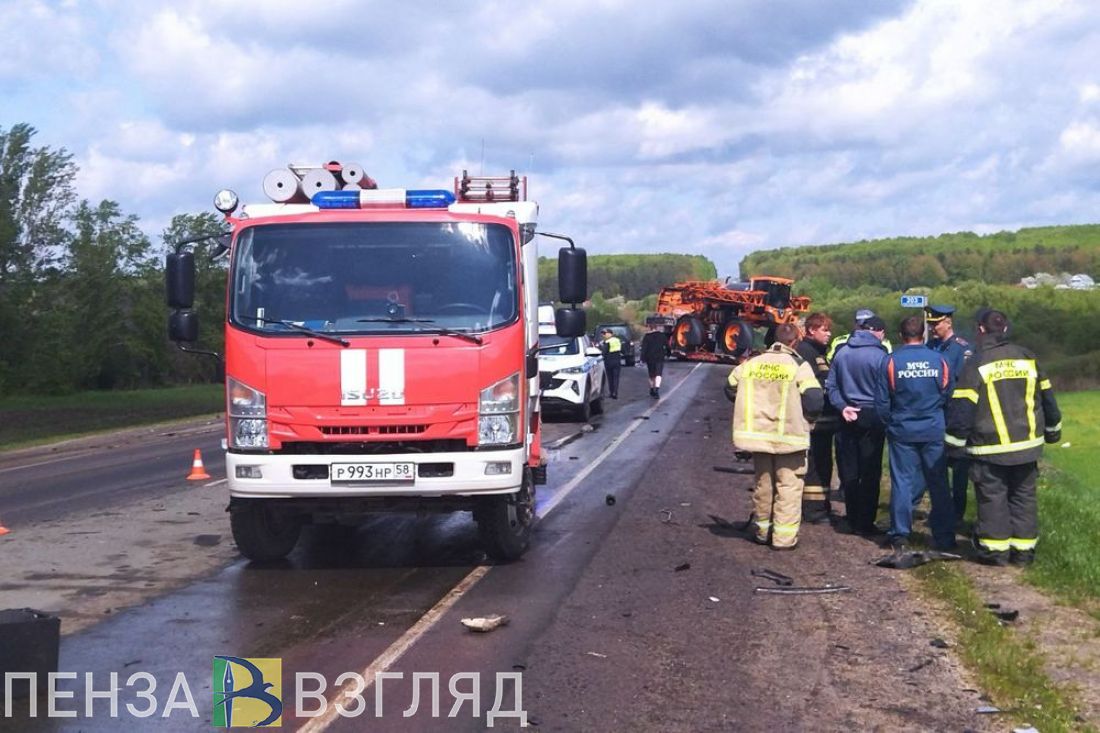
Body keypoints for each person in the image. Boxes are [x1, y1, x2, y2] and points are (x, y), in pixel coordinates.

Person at [946, 310, 1062, 566]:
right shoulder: (1027, 357)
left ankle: (995, 552)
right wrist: (1053, 431)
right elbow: (1048, 398)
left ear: (980, 330)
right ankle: (1023, 553)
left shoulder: (977, 363)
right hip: (1028, 447)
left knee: (992, 499)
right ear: (1006, 329)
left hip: (990, 448)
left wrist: (953, 447)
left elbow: (962, 410)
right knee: (1024, 498)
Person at [725, 324, 823, 550]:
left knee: (764, 486)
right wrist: (807, 419)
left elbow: (729, 388)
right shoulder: (799, 366)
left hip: (758, 438)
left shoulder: (751, 364)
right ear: (794, 342)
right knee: (788, 487)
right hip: (790, 439)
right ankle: (783, 539)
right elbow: (815, 399)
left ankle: (762, 532)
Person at [874, 316, 955, 551]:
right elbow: (948, 394)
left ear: (900, 336)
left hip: (902, 430)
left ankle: (900, 534)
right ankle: (944, 535)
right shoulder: (940, 360)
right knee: (939, 482)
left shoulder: (890, 361)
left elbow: (881, 402)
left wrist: (891, 423)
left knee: (902, 482)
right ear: (924, 334)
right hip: (933, 428)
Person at [826, 315, 889, 536]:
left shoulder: (842, 353)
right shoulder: (881, 356)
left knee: (849, 470)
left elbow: (831, 386)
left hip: (846, 415)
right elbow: (886, 390)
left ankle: (852, 518)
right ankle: (866, 522)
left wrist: (842, 406)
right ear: (879, 332)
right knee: (870, 472)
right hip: (872, 416)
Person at [925, 304, 974, 521]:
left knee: (959, 469)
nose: (933, 328)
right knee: (936, 465)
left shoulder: (962, 349)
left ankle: (957, 513)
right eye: (930, 324)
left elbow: (962, 385)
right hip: (935, 414)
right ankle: (941, 510)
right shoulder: (930, 346)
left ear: (948, 322)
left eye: (936, 324)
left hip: (955, 414)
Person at [795, 313, 839, 523]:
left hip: (824, 422)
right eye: (824, 330)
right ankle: (814, 510)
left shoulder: (818, 353)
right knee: (815, 466)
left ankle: (821, 507)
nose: (829, 334)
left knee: (823, 464)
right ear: (812, 330)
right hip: (815, 422)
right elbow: (813, 388)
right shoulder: (806, 352)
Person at [640, 319, 667, 399]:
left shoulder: (647, 337)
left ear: (650, 328)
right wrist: (668, 353)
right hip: (660, 357)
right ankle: (657, 389)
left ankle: (652, 388)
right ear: (657, 327)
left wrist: (642, 358)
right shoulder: (662, 335)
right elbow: (667, 345)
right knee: (659, 374)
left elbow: (644, 348)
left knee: (651, 374)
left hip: (650, 358)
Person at [600, 328, 623, 399]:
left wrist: (601, 347)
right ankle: (615, 393)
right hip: (617, 361)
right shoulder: (617, 340)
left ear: (610, 334)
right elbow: (623, 350)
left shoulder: (607, 342)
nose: (604, 335)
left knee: (610, 378)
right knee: (616, 378)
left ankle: (611, 392)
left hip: (609, 362)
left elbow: (604, 353)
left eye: (605, 333)